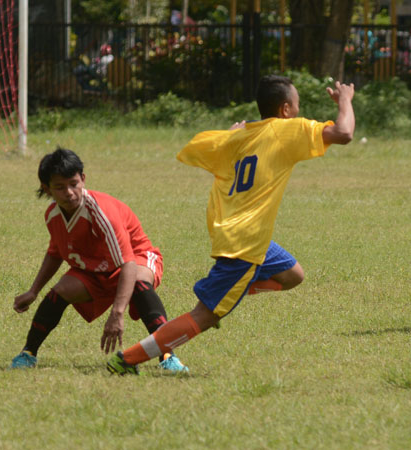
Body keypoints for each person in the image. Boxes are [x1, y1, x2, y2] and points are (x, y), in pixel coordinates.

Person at [106, 75, 355, 375]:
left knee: (293, 275)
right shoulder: (287, 130)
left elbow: (197, 146)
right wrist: (345, 101)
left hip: (240, 236)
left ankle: (237, 290)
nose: (300, 113)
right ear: (286, 109)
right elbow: (344, 133)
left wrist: (229, 135)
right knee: (205, 316)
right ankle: (127, 359)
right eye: (298, 107)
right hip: (245, 245)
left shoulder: (240, 136)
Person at [11, 148, 188, 372]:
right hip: (95, 268)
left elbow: (128, 263)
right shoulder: (53, 215)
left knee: (138, 282)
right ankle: (28, 353)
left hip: (136, 257)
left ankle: (167, 355)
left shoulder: (101, 212)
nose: (69, 192)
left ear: (83, 179)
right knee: (61, 290)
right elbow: (55, 253)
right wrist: (34, 291)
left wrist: (117, 314)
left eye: (73, 184)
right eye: (59, 187)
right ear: (46, 188)